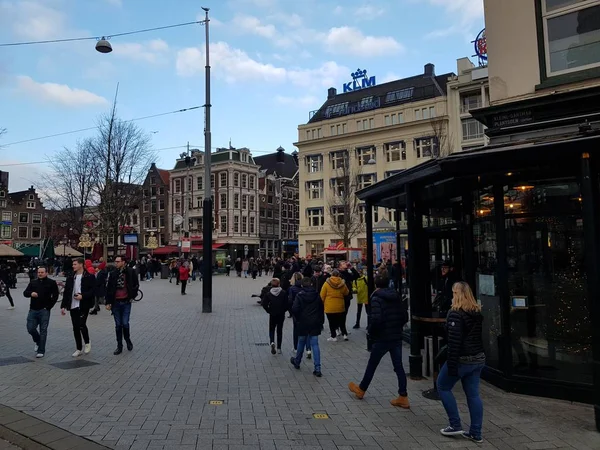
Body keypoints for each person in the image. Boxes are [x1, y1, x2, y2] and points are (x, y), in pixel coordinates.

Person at [349, 275, 410, 408]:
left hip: (383, 337)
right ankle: (403, 395)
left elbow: (375, 319)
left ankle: (361, 389)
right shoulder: (396, 296)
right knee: (398, 366)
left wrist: (371, 332)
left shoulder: (376, 298)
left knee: (372, 364)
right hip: (396, 336)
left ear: (376, 285)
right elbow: (404, 315)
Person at [437, 281, 485, 443]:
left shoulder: (455, 313)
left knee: (442, 386)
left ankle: (455, 424)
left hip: (462, 359)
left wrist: (451, 365)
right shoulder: (475, 311)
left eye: (453, 292)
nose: (452, 295)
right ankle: (476, 432)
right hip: (478, 357)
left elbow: (454, 342)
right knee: (473, 394)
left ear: (457, 294)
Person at [290, 277, 324, 377]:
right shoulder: (317, 295)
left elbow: (295, 309)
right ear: (311, 284)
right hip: (314, 322)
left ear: (302, 285)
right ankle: (317, 368)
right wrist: (320, 321)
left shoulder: (299, 296)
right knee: (315, 344)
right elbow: (321, 309)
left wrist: (297, 319)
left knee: (301, 341)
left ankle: (297, 361)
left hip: (303, 322)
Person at [61, 258, 95, 357]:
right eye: (73, 264)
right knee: (75, 327)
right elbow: (67, 292)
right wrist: (63, 306)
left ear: (81, 265)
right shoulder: (71, 277)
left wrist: (83, 296)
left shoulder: (89, 276)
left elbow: (93, 291)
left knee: (81, 324)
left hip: (84, 304)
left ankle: (87, 342)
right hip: (73, 304)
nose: (73, 266)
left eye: (75, 264)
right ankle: (78, 348)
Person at [106, 257, 139, 355]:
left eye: (118, 261)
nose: (116, 263)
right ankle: (119, 345)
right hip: (116, 302)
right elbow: (109, 288)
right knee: (118, 325)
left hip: (126, 301)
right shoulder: (113, 273)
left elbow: (136, 284)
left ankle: (127, 339)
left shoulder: (130, 272)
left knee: (125, 323)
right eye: (115, 261)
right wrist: (108, 302)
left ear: (123, 262)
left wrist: (133, 295)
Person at [23, 266, 59, 358]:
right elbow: (25, 293)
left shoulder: (51, 283)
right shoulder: (33, 282)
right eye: (39, 272)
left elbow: (55, 296)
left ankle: (41, 350)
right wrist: (31, 293)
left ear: (46, 273)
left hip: (44, 310)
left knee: (43, 330)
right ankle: (38, 341)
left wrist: (49, 307)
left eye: (42, 272)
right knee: (30, 328)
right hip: (33, 309)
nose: (40, 274)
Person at [319, 269, 349, 342]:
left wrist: (322, 303)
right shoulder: (342, 283)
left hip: (330, 306)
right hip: (340, 306)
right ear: (338, 275)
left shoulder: (326, 283)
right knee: (342, 321)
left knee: (331, 322)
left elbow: (322, 295)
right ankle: (344, 334)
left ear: (331, 275)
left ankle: (333, 336)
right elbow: (346, 292)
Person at [261, 278, 287, 355]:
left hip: (272, 314)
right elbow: (286, 303)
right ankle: (279, 347)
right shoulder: (283, 293)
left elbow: (264, 304)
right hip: (281, 314)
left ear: (271, 285)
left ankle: (272, 341)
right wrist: (284, 310)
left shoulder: (269, 294)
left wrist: (268, 310)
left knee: (271, 329)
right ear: (279, 284)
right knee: (279, 330)